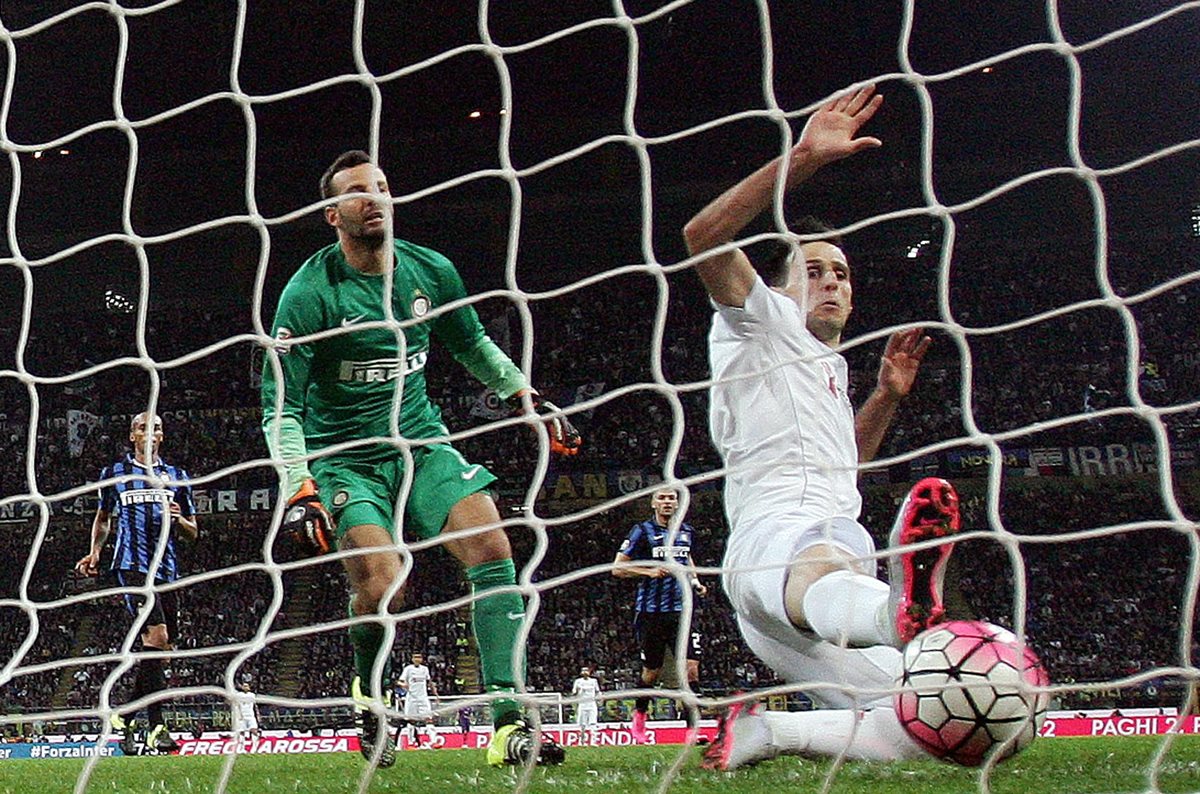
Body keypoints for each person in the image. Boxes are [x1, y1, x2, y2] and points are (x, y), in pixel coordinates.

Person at [261, 150, 578, 768]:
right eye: (356, 191)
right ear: (333, 214)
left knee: (493, 548)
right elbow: (282, 408)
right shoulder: (307, 296)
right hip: (345, 460)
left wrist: (524, 395)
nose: (373, 198)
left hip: (422, 442)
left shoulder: (430, 272)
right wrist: (298, 488)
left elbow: (473, 344)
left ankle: (510, 724)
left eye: (380, 186)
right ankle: (369, 694)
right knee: (384, 586)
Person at [681, 85, 963, 769]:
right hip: (779, 546)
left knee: (927, 724)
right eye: (814, 270)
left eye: (841, 272)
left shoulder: (827, 366)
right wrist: (803, 157)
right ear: (778, 288)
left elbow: (844, 463)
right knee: (827, 558)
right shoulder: (763, 322)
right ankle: (894, 607)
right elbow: (702, 238)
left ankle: (768, 733)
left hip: (802, 596)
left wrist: (886, 399)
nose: (832, 281)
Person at [74, 412, 198, 755]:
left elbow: (194, 531)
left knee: (162, 650)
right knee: (156, 637)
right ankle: (158, 726)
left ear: (162, 435)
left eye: (156, 427)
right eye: (144, 426)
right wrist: (95, 552)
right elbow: (103, 518)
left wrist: (179, 520)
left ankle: (127, 717)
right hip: (130, 567)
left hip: (167, 571)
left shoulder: (177, 477)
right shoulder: (114, 474)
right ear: (133, 435)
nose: (150, 432)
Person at [612, 487, 707, 743]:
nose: (667, 502)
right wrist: (649, 572)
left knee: (691, 670)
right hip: (651, 613)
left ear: (677, 504)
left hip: (683, 611)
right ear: (654, 503)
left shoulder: (686, 532)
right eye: (662, 498)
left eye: (671, 498)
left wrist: (696, 581)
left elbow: (687, 559)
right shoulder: (642, 532)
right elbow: (618, 568)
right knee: (650, 673)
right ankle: (640, 716)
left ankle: (692, 730)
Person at [398, 652, 437, 747]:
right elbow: (399, 681)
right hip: (411, 698)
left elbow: (429, 682)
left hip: (423, 698)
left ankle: (433, 741)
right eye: (415, 657)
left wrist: (436, 695)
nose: (417, 659)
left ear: (422, 659)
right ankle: (411, 742)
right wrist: (403, 685)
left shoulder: (425, 669)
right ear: (412, 659)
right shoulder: (408, 669)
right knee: (411, 720)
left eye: (419, 657)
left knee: (429, 718)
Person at [570, 667, 601, 738]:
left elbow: (598, 692)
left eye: (586, 671)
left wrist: (599, 700)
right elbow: (574, 693)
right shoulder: (578, 681)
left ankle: (594, 740)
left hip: (592, 704)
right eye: (583, 671)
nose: (585, 672)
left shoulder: (594, 681)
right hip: (582, 704)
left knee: (593, 722)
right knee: (582, 724)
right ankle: (582, 741)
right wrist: (577, 691)